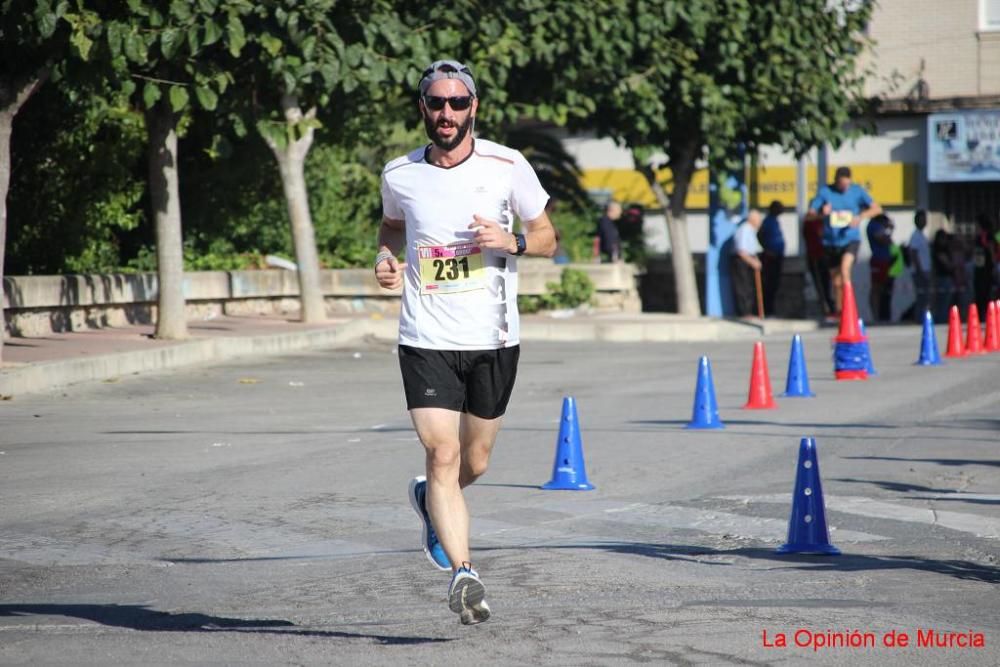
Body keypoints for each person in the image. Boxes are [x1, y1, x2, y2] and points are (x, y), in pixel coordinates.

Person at [375, 59, 557, 625]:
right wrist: (385, 259)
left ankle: (430, 499)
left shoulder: (508, 165)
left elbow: (549, 237)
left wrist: (513, 241)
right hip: (424, 336)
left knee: (473, 460)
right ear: (422, 109)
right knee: (443, 453)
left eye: (457, 103)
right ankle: (464, 574)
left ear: (473, 106)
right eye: (436, 103)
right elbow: (391, 228)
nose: (446, 113)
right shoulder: (399, 174)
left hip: (494, 338)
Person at [805, 166, 882, 316]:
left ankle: (850, 310)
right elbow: (809, 215)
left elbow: (877, 209)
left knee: (845, 269)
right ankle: (841, 312)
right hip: (830, 242)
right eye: (841, 185)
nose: (844, 188)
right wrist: (822, 213)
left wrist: (860, 217)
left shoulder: (857, 191)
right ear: (836, 181)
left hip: (850, 239)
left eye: (846, 185)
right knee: (836, 282)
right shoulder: (825, 192)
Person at [731, 209, 763, 318]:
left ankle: (750, 311)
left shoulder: (751, 230)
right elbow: (742, 250)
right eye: (759, 220)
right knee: (743, 287)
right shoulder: (744, 229)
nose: (760, 223)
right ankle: (744, 312)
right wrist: (753, 261)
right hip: (742, 261)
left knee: (749, 287)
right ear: (753, 220)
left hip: (749, 259)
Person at [802, 209, 835, 316]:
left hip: (824, 256)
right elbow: (821, 234)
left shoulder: (820, 221)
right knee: (821, 285)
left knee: (828, 284)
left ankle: (831, 308)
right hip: (816, 257)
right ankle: (827, 310)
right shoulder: (811, 222)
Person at [757, 200, 786, 317]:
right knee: (769, 284)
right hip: (770, 257)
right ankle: (767, 310)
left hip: (777, 256)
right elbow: (760, 235)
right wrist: (767, 250)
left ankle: (770, 309)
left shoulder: (775, 221)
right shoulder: (768, 221)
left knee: (774, 285)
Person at [866, 213, 894, 322]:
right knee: (876, 288)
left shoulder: (879, 226)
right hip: (878, 260)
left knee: (884, 289)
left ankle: (883, 314)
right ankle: (876, 315)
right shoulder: (873, 225)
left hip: (886, 261)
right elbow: (883, 239)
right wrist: (889, 230)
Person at [972, 213, 997, 317]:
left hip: (986, 269)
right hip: (978, 268)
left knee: (985, 293)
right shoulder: (978, 237)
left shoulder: (988, 236)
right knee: (978, 293)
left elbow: (991, 251)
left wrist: (994, 265)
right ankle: (979, 315)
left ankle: (987, 315)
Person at [908, 210, 931, 321]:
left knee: (926, 296)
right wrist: (920, 270)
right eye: (922, 219)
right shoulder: (915, 236)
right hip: (920, 271)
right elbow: (914, 253)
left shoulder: (922, 235)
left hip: (925, 269)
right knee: (921, 295)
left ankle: (923, 317)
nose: (924, 221)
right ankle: (919, 318)